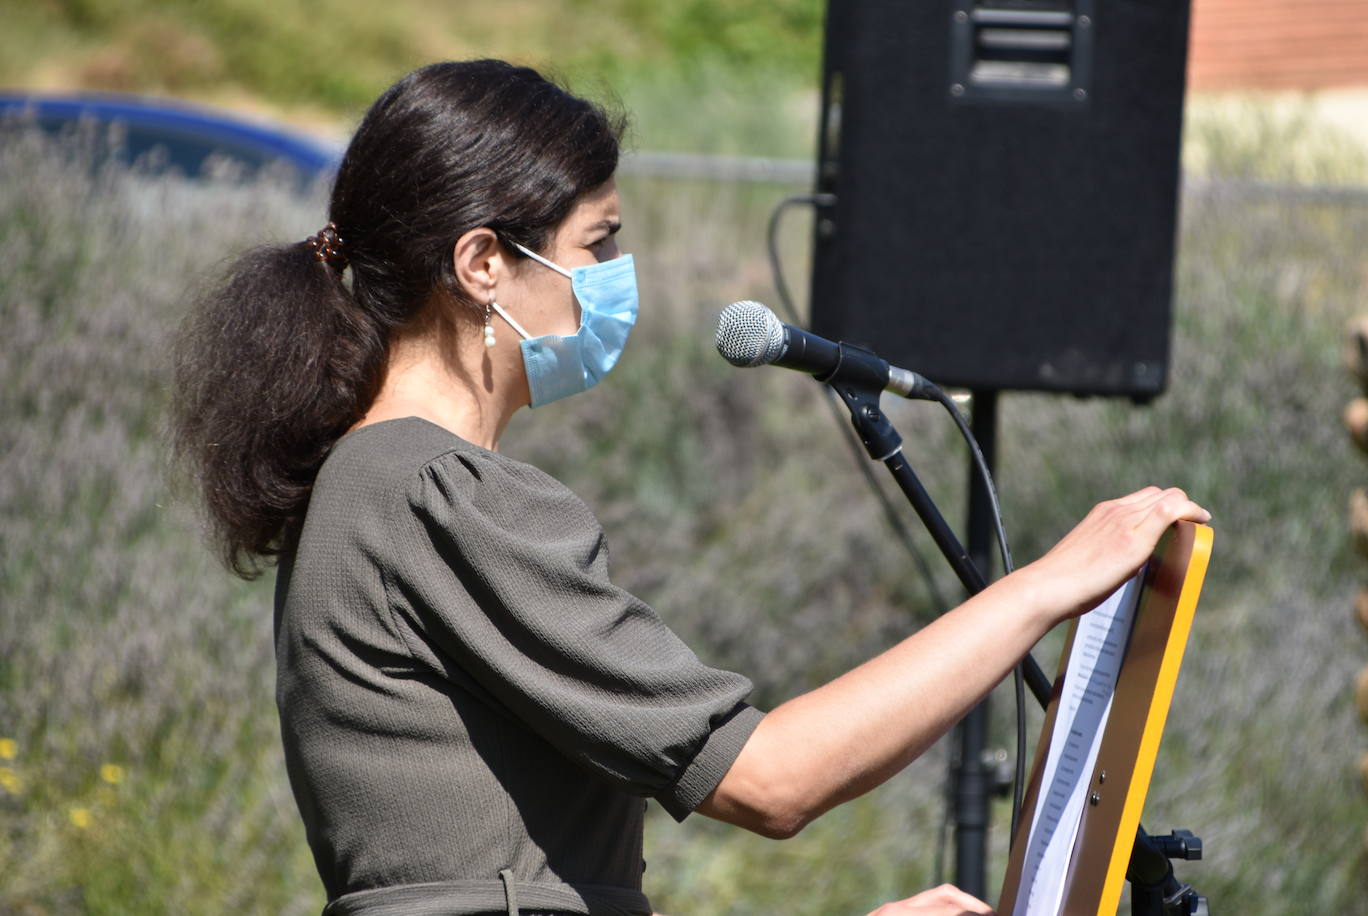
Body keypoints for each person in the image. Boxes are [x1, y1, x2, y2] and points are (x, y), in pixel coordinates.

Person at [170, 60, 1209, 916]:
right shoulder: (434, 493)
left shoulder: (370, 484)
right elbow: (772, 778)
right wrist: (1047, 585)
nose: (620, 272)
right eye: (599, 243)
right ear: (483, 261)